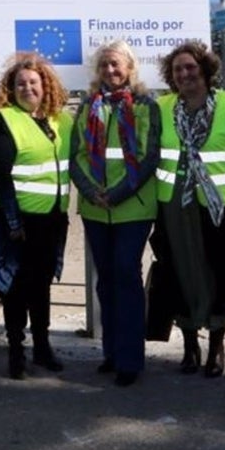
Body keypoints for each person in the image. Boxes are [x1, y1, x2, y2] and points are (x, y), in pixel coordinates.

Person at [156, 40, 225, 378]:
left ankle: (216, 343)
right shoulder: (161, 109)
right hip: (175, 206)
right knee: (180, 273)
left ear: (204, 69)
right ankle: (190, 345)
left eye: (190, 67)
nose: (184, 74)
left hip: (223, 208)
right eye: (177, 70)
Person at [69, 40, 161, 387]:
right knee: (105, 280)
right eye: (105, 65)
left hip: (132, 208)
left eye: (116, 65)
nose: (110, 71)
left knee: (126, 274)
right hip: (95, 208)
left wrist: (119, 193)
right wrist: (92, 192)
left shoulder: (145, 106)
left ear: (130, 68)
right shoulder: (87, 107)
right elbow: (75, 155)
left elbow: (149, 156)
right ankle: (111, 352)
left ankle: (130, 359)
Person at [0, 53, 73, 380]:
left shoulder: (61, 121)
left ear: (45, 85)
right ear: (12, 88)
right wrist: (12, 221)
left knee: (41, 286)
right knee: (17, 287)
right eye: (20, 83)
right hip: (16, 221)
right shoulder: (5, 121)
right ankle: (15, 350)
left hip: (51, 219)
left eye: (33, 82)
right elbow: (1, 176)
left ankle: (42, 346)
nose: (27, 88)